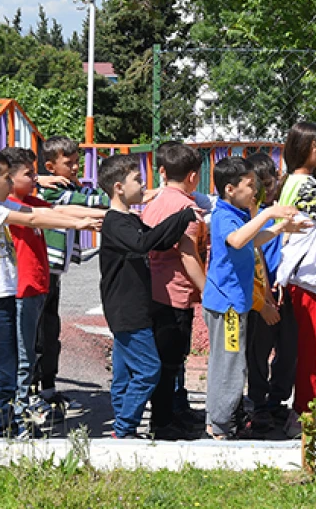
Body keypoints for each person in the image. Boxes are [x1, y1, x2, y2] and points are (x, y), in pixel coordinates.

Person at [0, 150, 101, 439]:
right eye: (7, 178)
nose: (10, 183)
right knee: (2, 371)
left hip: (3, 297)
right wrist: (78, 225)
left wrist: (95, 214)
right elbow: (32, 221)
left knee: (1, 370)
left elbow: (43, 212)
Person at [201, 156, 304, 440]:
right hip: (228, 307)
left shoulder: (237, 215)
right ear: (230, 189)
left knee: (229, 362)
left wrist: (280, 229)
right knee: (230, 364)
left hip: (235, 303)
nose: (255, 190)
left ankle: (219, 419)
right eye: (249, 185)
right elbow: (235, 240)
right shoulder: (224, 215)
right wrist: (268, 215)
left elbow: (250, 240)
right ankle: (221, 425)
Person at [97, 154, 199, 440]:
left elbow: (158, 239)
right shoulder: (115, 222)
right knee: (148, 370)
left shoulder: (130, 219)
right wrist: (182, 216)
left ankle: (122, 425)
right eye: (138, 180)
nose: (144, 186)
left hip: (133, 307)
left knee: (123, 373)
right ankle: (126, 427)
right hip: (126, 309)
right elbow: (144, 243)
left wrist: (183, 221)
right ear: (118, 187)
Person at [2, 147, 106, 416]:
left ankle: (38, 396)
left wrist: (102, 214)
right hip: (23, 287)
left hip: (42, 281)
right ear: (7, 177)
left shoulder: (32, 199)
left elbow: (60, 209)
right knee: (26, 349)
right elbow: (43, 216)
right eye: (30, 174)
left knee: (46, 337)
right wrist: (80, 223)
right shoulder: (9, 204)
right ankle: (21, 405)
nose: (37, 179)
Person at [37, 136, 110, 413]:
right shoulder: (50, 191)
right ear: (50, 167)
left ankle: (48, 388)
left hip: (54, 272)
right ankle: (36, 391)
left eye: (77, 162)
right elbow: (95, 201)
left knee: (50, 329)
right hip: (43, 269)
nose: (76, 168)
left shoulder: (67, 185)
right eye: (69, 163)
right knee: (38, 333)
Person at [140, 142, 208, 440]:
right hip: (174, 292)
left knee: (167, 360)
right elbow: (188, 254)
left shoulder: (156, 201)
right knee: (170, 361)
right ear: (193, 176)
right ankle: (163, 422)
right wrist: (207, 290)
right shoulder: (185, 210)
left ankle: (171, 413)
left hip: (153, 288)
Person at [274, 122, 316, 433]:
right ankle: (303, 414)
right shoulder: (307, 186)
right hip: (309, 279)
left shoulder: (295, 183)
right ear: (304, 149)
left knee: (305, 349)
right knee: (314, 350)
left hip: (300, 278)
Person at [244, 152, 293, 436]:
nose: (269, 187)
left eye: (272, 180)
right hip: (261, 294)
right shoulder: (254, 217)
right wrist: (265, 296)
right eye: (262, 183)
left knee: (288, 349)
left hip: (285, 289)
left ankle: (278, 399)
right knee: (258, 349)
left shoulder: (284, 208)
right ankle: (259, 401)